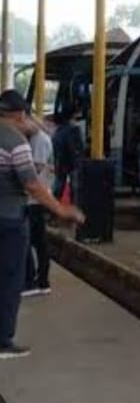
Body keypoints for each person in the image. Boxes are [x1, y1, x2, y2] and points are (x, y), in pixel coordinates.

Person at [0, 90, 83, 358]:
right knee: (10, 278)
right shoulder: (16, 142)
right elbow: (32, 185)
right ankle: (3, 340)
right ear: (19, 115)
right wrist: (62, 209)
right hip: (10, 219)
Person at [22, 109, 54, 297]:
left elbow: (36, 168)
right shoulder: (33, 138)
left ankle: (38, 281)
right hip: (32, 198)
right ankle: (37, 280)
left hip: (36, 199)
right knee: (35, 240)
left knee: (35, 241)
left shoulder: (40, 140)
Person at [52, 105, 83, 200]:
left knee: (58, 186)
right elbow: (77, 147)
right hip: (73, 163)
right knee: (75, 188)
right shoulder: (74, 130)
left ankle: (54, 208)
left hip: (60, 162)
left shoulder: (58, 130)